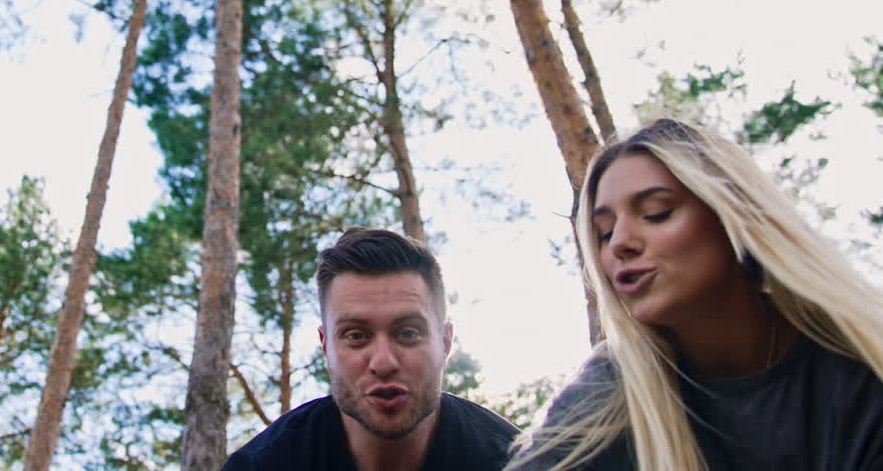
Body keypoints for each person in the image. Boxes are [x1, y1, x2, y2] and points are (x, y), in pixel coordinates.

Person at [507, 118, 883, 471]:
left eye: (656, 213)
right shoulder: (612, 386)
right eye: (604, 232)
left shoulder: (858, 368)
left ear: (732, 216)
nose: (620, 243)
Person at [221, 227, 517, 471]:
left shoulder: (517, 462)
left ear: (445, 342)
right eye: (356, 335)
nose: (384, 362)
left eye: (408, 333)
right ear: (326, 347)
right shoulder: (264, 465)